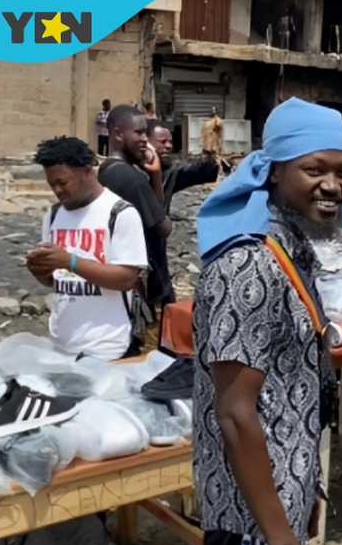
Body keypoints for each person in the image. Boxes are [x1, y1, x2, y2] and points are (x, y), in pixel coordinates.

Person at [193, 97, 342, 545]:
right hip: (248, 520)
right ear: (275, 171)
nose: (332, 185)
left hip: (277, 498)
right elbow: (236, 415)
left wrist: (302, 494)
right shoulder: (248, 264)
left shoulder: (291, 242)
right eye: (315, 170)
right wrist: (281, 540)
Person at [26, 136, 148, 360]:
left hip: (106, 349)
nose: (57, 190)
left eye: (63, 182)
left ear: (87, 171)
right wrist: (39, 269)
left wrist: (69, 261)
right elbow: (57, 281)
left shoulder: (120, 213)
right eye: (52, 184)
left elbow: (127, 279)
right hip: (60, 345)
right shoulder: (53, 215)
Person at [102, 105, 173, 337]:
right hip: (136, 282)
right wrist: (156, 176)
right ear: (118, 133)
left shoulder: (106, 170)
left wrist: (153, 173)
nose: (145, 140)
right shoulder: (131, 179)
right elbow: (163, 227)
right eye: (139, 133)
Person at [147, 120, 221, 215]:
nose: (169, 146)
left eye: (170, 142)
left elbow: (200, 170)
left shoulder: (169, 173)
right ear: (146, 142)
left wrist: (213, 151)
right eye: (163, 142)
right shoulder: (132, 173)